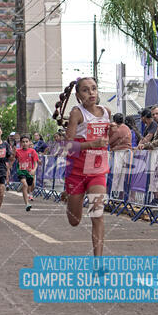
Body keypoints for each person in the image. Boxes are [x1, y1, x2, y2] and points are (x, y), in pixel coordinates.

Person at [53, 77, 110, 256]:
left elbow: (108, 141)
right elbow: (67, 146)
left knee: (97, 214)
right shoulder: (77, 114)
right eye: (85, 90)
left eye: (93, 88)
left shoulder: (106, 112)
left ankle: (98, 262)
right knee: (74, 220)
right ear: (78, 95)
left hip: (97, 172)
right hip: (77, 173)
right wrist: (91, 145)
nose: (91, 92)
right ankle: (69, 196)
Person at [12, 135, 39, 211]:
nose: (25, 143)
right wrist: (13, 153)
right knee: (25, 184)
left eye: (26, 142)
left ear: (29, 142)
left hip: (29, 172)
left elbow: (35, 162)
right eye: (23, 142)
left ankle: (22, 187)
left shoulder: (32, 151)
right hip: (21, 171)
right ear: (20, 143)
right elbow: (12, 158)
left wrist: (34, 169)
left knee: (30, 186)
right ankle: (27, 204)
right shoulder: (18, 151)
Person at [0, 123, 11, 210]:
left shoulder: (5, 144)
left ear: (1, 131)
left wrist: (8, 169)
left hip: (1, 170)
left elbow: (9, 158)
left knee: (1, 192)